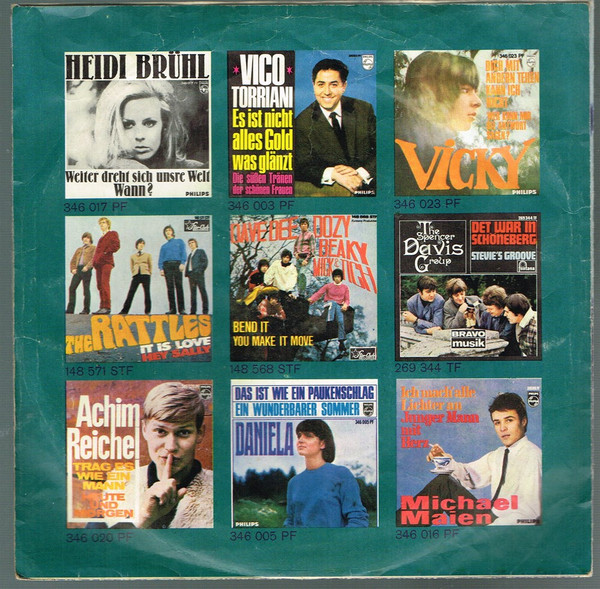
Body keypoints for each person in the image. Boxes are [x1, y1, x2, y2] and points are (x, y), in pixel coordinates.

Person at [397, 393, 541, 526]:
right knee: (444, 483)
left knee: (444, 484)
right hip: (489, 519)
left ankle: (392, 529)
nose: (502, 428)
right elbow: (469, 474)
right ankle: (395, 527)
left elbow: (530, 512)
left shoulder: (533, 455)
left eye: (509, 420)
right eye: (497, 422)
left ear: (523, 421)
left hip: (505, 528)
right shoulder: (498, 455)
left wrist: (492, 530)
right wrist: (443, 460)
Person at [103, 382, 213, 529]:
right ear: (144, 429)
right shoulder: (118, 487)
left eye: (184, 432)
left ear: (200, 433)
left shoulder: (222, 491)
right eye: (161, 431)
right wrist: (143, 517)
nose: (171, 446)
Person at [395, 51, 482, 195]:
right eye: (465, 90)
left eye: (475, 92)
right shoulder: (399, 143)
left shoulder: (451, 148)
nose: (477, 102)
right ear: (432, 93)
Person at [295, 59, 376, 196]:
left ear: (344, 86)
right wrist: (333, 174)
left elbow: (384, 148)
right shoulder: (302, 123)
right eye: (321, 84)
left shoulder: (364, 109)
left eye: (333, 85)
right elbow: (301, 166)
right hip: (337, 194)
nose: (326, 92)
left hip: (373, 189)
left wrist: (360, 174)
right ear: (313, 85)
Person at [90, 80, 202, 169]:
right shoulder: (109, 170)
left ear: (165, 125)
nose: (139, 136)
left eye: (149, 123)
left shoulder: (194, 168)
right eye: (128, 125)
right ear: (114, 129)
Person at [284, 420, 368, 527]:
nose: (300, 440)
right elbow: (290, 521)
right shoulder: (294, 483)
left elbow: (358, 519)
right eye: (299, 435)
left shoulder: (341, 474)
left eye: (308, 436)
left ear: (322, 444)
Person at [308, 268, 350, 353]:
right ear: (333, 278)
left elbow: (347, 299)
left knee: (341, 321)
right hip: (329, 304)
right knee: (333, 303)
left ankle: (341, 341)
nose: (337, 279)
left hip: (339, 306)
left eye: (339, 277)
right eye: (335, 277)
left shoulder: (345, 287)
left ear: (341, 278)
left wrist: (345, 305)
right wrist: (311, 300)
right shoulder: (328, 286)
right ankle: (329, 322)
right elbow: (319, 294)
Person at [478, 285, 520, 356]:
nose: (488, 311)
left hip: (509, 355)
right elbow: (481, 333)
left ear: (500, 306)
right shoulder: (485, 314)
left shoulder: (510, 316)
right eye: (487, 308)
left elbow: (504, 336)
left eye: (491, 309)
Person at [92, 217, 120, 314]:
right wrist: (94, 262)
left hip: (107, 262)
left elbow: (116, 246)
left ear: (108, 224)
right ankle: (102, 307)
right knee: (99, 285)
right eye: (100, 223)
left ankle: (107, 307)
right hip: (98, 264)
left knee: (104, 283)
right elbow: (97, 251)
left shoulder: (112, 233)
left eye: (103, 223)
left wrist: (105, 252)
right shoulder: (101, 238)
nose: (102, 225)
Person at [119, 238, 152, 315]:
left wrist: (149, 272)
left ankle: (147, 311)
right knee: (131, 292)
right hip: (136, 275)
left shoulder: (148, 255)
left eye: (143, 243)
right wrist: (134, 272)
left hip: (145, 274)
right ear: (137, 245)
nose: (141, 245)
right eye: (140, 243)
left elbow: (150, 265)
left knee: (147, 292)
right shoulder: (133, 256)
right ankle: (125, 310)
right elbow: (131, 266)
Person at [66, 232, 96, 315]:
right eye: (84, 237)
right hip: (78, 269)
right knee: (72, 288)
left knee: (86, 290)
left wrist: (87, 267)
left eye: (87, 237)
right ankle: (70, 310)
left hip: (86, 270)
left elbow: (94, 259)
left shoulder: (93, 248)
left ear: (90, 239)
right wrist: (73, 269)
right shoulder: (79, 249)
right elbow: (73, 260)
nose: (85, 239)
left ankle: (86, 310)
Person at [159, 225, 186, 315]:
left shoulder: (179, 241)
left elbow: (183, 252)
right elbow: (161, 258)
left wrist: (182, 263)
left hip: (177, 264)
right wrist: (161, 268)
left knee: (179, 286)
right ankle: (172, 309)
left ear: (172, 232)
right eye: (166, 230)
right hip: (167, 266)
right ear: (164, 233)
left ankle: (181, 309)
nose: (168, 232)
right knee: (170, 288)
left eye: (169, 230)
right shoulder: (164, 246)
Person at [504, 293, 538, 357]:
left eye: (507, 312)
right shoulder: (519, 323)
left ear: (517, 311)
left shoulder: (536, 328)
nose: (505, 315)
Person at [185, 238, 209, 315]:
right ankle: (193, 311)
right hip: (191, 275)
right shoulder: (190, 255)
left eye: (192, 242)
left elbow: (205, 262)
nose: (191, 244)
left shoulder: (200, 251)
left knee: (202, 291)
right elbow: (189, 265)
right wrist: (187, 273)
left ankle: (205, 311)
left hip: (198, 274)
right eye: (189, 243)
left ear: (196, 243)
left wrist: (199, 271)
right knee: (193, 293)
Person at [293, 217, 316, 296]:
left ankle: (302, 294)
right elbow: (295, 247)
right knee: (298, 276)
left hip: (306, 257)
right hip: (299, 258)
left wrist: (306, 259)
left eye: (305, 224)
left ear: (307, 225)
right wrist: (295, 254)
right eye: (302, 224)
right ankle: (299, 293)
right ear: (300, 226)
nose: (303, 226)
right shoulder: (298, 236)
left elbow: (312, 249)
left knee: (302, 273)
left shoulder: (310, 235)